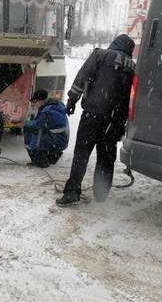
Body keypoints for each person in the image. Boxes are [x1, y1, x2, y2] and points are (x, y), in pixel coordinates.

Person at [56, 34, 136, 207]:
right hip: (114, 121)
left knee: (82, 153)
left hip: (93, 114)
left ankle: (72, 192)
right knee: (106, 156)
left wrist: (72, 99)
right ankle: (101, 193)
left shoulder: (100, 55)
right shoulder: (133, 67)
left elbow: (83, 76)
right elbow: (134, 98)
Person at [23, 89, 69, 168]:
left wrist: (22, 123)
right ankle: (53, 156)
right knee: (38, 133)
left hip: (58, 140)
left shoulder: (47, 112)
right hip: (62, 139)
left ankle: (40, 161)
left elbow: (36, 126)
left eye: (34, 102)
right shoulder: (55, 104)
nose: (33, 105)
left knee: (31, 134)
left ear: (41, 101)